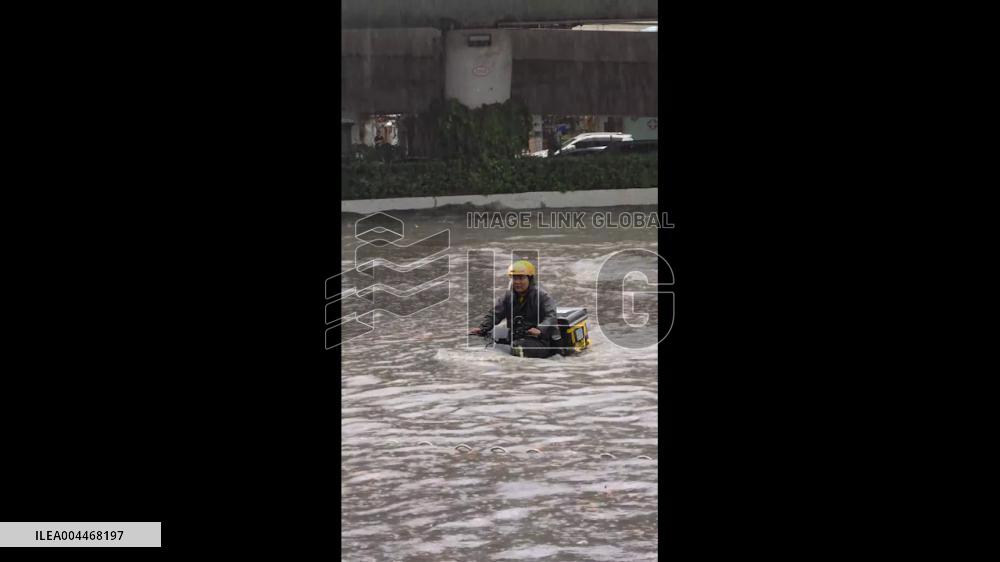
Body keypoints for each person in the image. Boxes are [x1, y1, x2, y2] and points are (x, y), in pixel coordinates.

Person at [469, 260, 563, 358]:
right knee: (477, 340)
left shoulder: (542, 296)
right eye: (514, 278)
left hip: (539, 340)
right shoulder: (508, 296)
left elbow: (551, 316)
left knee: (518, 347)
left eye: (521, 278)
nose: (517, 282)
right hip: (516, 337)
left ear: (529, 279)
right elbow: (495, 314)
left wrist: (539, 329)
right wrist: (482, 328)